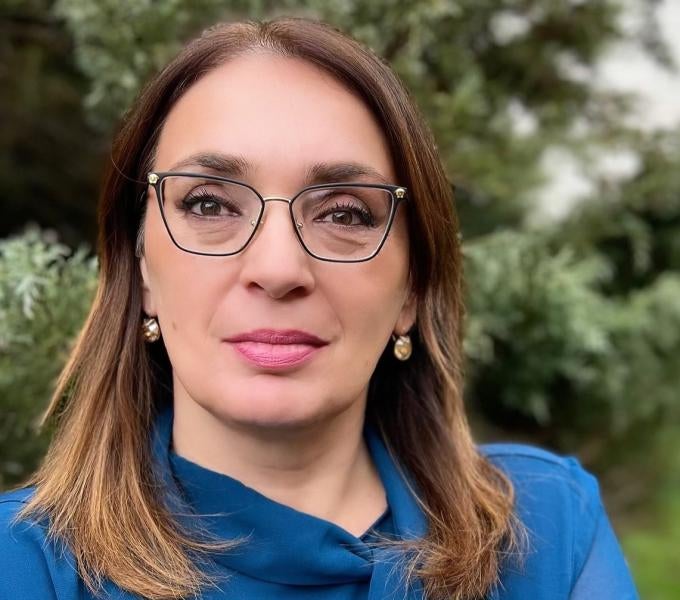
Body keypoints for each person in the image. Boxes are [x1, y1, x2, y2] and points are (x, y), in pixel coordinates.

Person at [0, 17, 638, 600]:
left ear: (412, 288)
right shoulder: (23, 566)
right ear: (140, 268)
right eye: (209, 205)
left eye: (344, 214)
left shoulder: (547, 530)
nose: (277, 270)